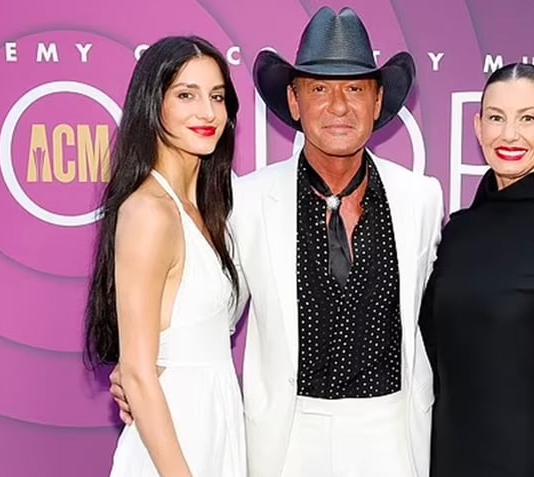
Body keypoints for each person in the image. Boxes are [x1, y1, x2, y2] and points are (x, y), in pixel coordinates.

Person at [111, 7, 443, 477]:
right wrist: (139, 371)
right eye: (320, 89)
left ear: (377, 100)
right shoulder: (243, 202)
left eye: (354, 88)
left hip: (393, 434)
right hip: (286, 442)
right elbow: (204, 311)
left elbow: (439, 317)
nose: (339, 106)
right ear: (294, 100)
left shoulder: (422, 199)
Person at [418, 63, 534, 477]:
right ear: (478, 125)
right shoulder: (457, 230)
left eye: (528, 118)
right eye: (496, 118)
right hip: (447, 457)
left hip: (528, 464)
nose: (509, 135)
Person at [84, 36, 247, 476]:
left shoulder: (209, 210)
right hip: (174, 442)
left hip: (213, 424)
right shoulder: (150, 211)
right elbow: (137, 372)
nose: (207, 112)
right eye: (186, 94)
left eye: (216, 96)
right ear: (152, 104)